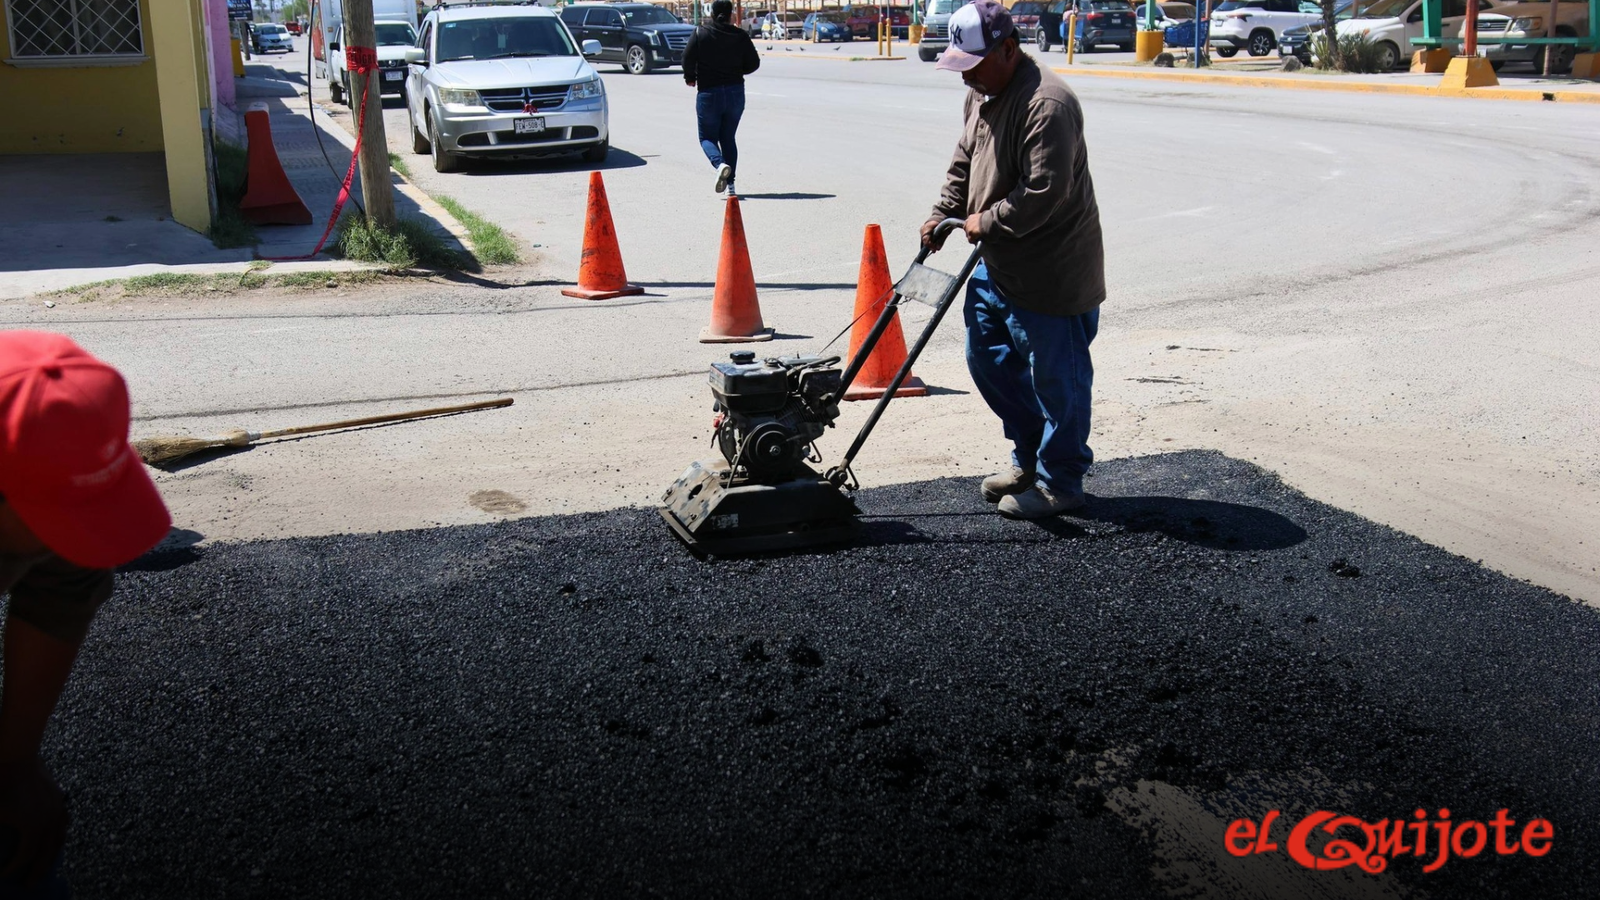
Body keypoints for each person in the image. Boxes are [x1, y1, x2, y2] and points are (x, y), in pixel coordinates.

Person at [922, 0, 1106, 520]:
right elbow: (965, 160)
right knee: (989, 362)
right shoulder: (983, 92)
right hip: (997, 264)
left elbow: (1044, 191)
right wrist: (944, 212)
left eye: (973, 65)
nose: (966, 78)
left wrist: (986, 221)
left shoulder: (1047, 104)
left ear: (1007, 49)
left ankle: (1060, 481)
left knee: (1059, 383)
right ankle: (1029, 458)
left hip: (1051, 272)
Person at [0, 332, 171, 891]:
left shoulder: (46, 451)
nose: (82, 537)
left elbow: (65, 587)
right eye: (56, 513)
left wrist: (15, 766)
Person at [681, 0, 760, 196]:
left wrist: (690, 78)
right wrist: (736, 71)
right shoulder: (740, 36)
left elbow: (687, 58)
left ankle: (719, 165)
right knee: (728, 138)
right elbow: (754, 63)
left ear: (712, 14)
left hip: (709, 93)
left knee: (707, 138)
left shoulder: (700, 33)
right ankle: (730, 187)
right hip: (735, 92)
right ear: (731, 14)